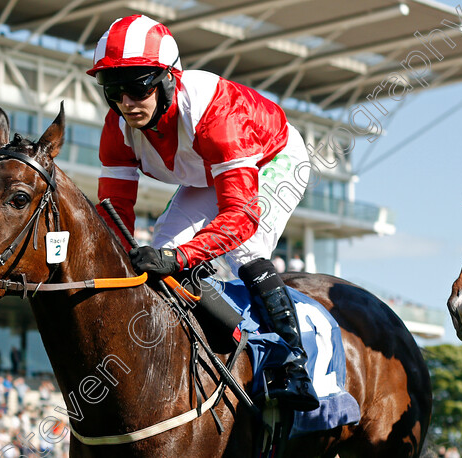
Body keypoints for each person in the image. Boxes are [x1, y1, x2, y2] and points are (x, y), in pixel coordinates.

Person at [88, 15, 317, 410]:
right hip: (209, 174)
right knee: (155, 263)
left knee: (243, 249)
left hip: (273, 158)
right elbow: (114, 215)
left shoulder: (216, 116)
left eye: (137, 86)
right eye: (112, 88)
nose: (126, 102)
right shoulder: (117, 129)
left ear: (167, 79)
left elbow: (241, 217)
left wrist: (181, 256)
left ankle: (292, 362)